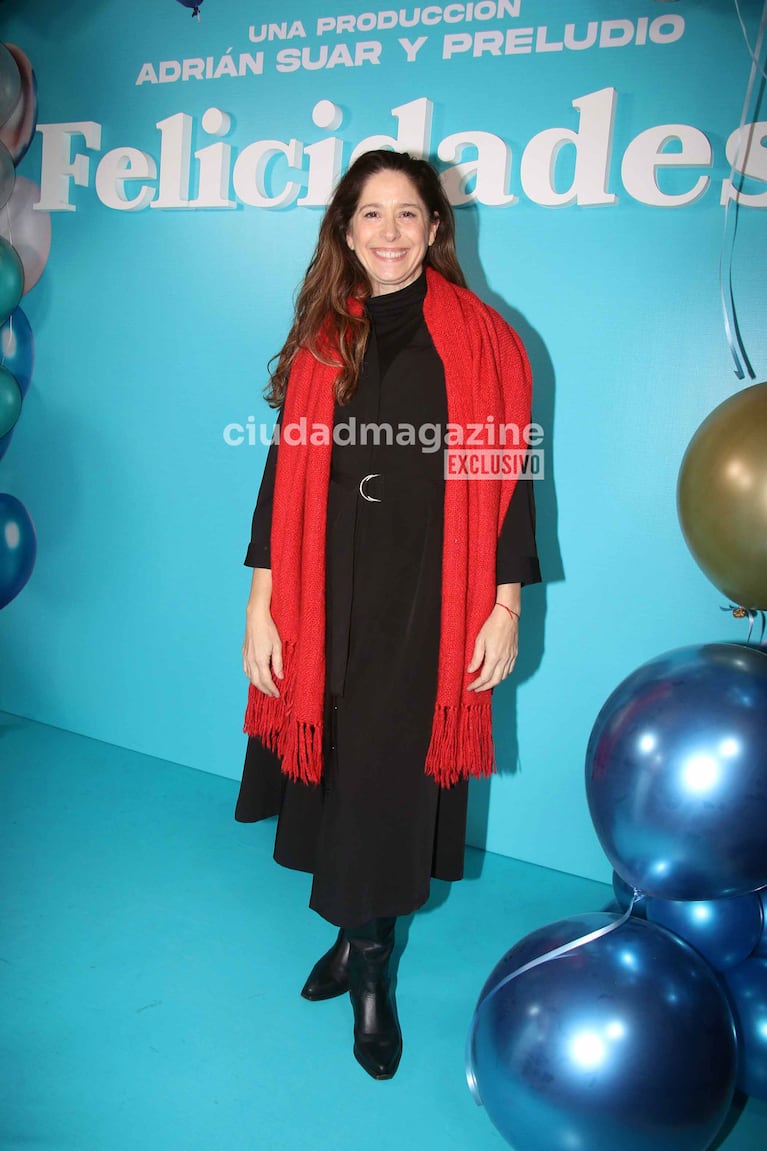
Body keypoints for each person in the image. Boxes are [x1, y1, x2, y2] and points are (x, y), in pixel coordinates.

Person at [235, 149, 540, 1080]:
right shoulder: (324, 335)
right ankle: (354, 941)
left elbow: (510, 482)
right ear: (344, 228)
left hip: (426, 601)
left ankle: (371, 975)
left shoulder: (486, 340)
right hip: (323, 593)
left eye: (408, 214)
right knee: (338, 776)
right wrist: (260, 603)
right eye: (370, 215)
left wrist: (503, 604)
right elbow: (280, 475)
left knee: (385, 781)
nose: (390, 233)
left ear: (437, 228)